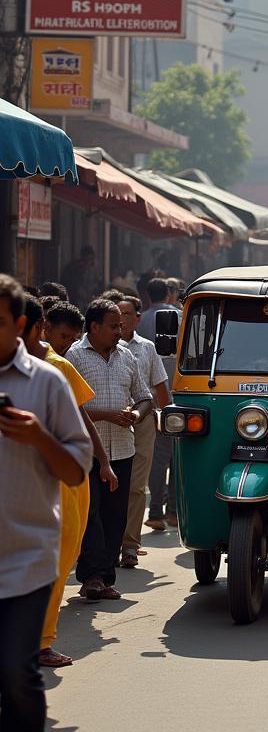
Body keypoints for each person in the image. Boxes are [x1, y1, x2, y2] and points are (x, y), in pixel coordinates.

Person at [0, 275, 91, 732]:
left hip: (27, 558)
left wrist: (38, 435)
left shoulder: (49, 382)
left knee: (18, 673)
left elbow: (76, 468)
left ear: (19, 325)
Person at [21, 297, 115, 668]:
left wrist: (103, 461)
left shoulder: (56, 368)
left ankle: (41, 642)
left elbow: (79, 419)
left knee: (57, 560)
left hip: (59, 481)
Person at [67, 299, 152, 600]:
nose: (120, 330)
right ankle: (90, 576)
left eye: (121, 325)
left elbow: (144, 397)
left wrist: (136, 415)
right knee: (91, 515)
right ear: (94, 327)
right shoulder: (74, 357)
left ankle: (105, 577)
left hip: (123, 448)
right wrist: (106, 414)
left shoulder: (127, 356)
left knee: (116, 515)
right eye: (114, 326)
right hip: (88, 450)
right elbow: (71, 407)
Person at [117, 297, 169, 568]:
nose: (122, 320)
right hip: (107, 425)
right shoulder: (85, 350)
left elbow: (159, 387)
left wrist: (169, 419)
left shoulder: (147, 348)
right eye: (117, 315)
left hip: (142, 423)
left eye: (126, 314)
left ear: (137, 318)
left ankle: (129, 545)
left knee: (137, 487)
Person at [137, 277, 180, 531]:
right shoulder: (181, 315)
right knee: (174, 457)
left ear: (147, 295)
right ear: (167, 294)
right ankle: (172, 512)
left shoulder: (139, 321)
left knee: (158, 457)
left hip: (147, 398)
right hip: (177, 395)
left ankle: (156, 511)